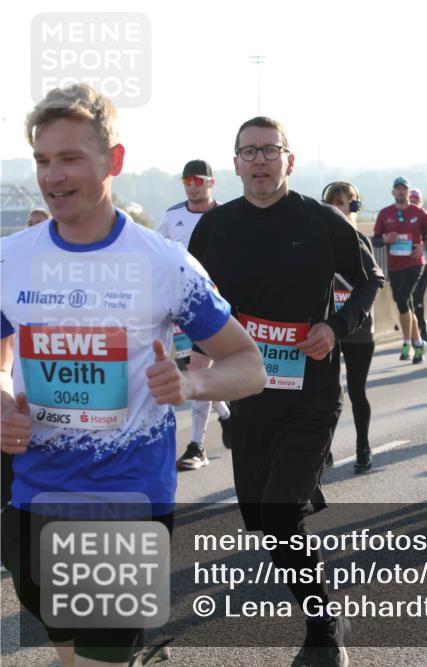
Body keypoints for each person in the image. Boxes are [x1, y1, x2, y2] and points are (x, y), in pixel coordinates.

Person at [1, 83, 264, 667]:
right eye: (43, 160)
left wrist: (192, 385)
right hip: (31, 496)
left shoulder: (164, 263)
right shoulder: (10, 259)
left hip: (126, 499)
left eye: (70, 158)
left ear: (113, 161)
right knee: (72, 656)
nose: (53, 176)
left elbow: (250, 365)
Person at [189, 116, 382, 666]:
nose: (259, 160)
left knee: (279, 512)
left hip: (309, 393)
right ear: (235, 163)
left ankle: (324, 633)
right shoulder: (215, 228)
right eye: (248, 152)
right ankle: (321, 615)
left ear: (288, 160)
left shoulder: (321, 221)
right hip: (246, 396)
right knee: (267, 524)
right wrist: (194, 353)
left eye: (269, 150)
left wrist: (334, 328)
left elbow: (370, 279)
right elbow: (190, 300)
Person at [159, 159, 234, 470]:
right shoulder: (171, 217)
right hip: (178, 306)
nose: (192, 184)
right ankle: (228, 416)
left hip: (214, 305)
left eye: (199, 180)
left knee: (199, 370)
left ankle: (197, 447)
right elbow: (157, 256)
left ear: (211, 183)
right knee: (193, 372)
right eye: (187, 179)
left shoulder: (227, 217)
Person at [322, 181, 386, 473]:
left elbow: (374, 281)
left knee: (357, 391)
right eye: (331, 203)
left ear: (354, 207)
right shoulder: (317, 240)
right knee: (326, 391)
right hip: (327, 328)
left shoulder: (360, 239)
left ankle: (363, 446)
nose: (337, 208)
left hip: (358, 327)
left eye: (342, 203)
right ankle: (324, 450)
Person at [373, 176, 427, 363]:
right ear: (393, 192)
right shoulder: (385, 214)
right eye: (398, 189)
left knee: (402, 299)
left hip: (414, 264)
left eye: (404, 189)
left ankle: (409, 342)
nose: (401, 192)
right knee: (404, 304)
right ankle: (416, 342)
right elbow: (375, 240)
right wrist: (385, 239)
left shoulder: (420, 213)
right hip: (394, 266)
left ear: (408, 192)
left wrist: (422, 246)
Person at [408, 187, 427, 343]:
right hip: (405, 265)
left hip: (423, 263)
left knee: (417, 297)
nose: (413, 203)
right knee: (408, 299)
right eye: (411, 201)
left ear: (420, 201)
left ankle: (422, 328)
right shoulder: (402, 217)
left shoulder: (426, 216)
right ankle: (415, 330)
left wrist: (423, 245)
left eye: (416, 201)